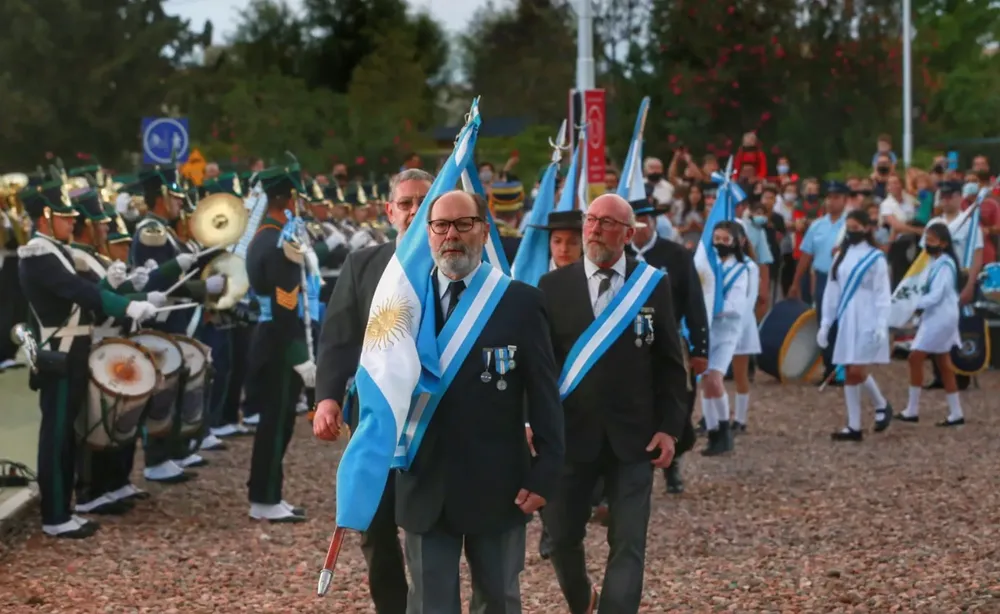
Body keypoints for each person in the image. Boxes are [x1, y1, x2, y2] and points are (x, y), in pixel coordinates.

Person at [392, 190, 564, 613]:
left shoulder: (520, 301)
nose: (452, 235)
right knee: (429, 604)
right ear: (428, 234)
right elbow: (376, 383)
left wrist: (547, 469)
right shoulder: (401, 302)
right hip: (424, 479)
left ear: (484, 231)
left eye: (463, 224)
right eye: (441, 226)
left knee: (499, 601)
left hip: (499, 482)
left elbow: (544, 392)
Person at [539, 193, 688, 614]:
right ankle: (582, 598)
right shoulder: (553, 287)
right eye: (591, 220)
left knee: (628, 542)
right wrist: (533, 424)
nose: (595, 229)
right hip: (569, 436)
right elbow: (540, 366)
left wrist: (670, 427)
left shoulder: (651, 285)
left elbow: (670, 367)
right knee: (561, 535)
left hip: (633, 438)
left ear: (628, 233)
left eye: (607, 222)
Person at [313, 168, 433, 613]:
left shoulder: (456, 266)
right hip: (376, 416)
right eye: (406, 203)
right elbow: (338, 336)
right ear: (390, 211)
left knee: (429, 527)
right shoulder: (363, 265)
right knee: (377, 526)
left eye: (424, 201)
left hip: (434, 416)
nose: (415, 211)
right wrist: (327, 398)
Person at [17, 179, 158, 538]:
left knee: (67, 436)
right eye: (65, 218)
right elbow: (78, 291)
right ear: (46, 216)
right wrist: (127, 305)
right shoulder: (38, 252)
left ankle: (64, 509)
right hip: (60, 355)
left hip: (73, 353)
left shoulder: (54, 249)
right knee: (57, 436)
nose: (71, 223)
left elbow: (90, 291)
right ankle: (54, 515)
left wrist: (117, 291)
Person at [242, 162, 317, 522]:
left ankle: (269, 492)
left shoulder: (267, 235)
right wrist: (301, 356)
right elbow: (286, 306)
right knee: (275, 422)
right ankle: (264, 496)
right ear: (288, 199)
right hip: (278, 341)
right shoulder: (277, 241)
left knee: (280, 419)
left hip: (273, 338)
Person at [624, 196, 708, 492]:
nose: (642, 225)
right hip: (629, 343)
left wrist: (700, 348)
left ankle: (673, 462)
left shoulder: (675, 255)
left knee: (678, 398)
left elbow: (695, 302)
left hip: (670, 338)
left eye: (647, 219)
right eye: (636, 219)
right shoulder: (619, 256)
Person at [817, 210, 894, 441]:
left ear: (866, 228)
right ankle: (855, 425)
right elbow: (832, 292)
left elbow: (882, 294)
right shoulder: (840, 254)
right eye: (848, 227)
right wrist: (825, 322)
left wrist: (882, 323)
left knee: (856, 370)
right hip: (846, 317)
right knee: (849, 370)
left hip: (868, 317)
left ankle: (879, 406)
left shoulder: (876, 257)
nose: (851, 232)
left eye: (855, 227)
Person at [897, 224, 965, 426]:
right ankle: (956, 413)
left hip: (941, 317)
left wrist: (914, 305)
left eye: (932, 240)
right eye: (927, 239)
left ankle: (912, 410)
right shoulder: (936, 262)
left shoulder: (945, 265)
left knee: (915, 357)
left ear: (943, 243)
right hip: (939, 316)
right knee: (944, 363)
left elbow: (937, 295)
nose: (928, 243)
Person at [699, 221, 752, 456]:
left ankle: (723, 430)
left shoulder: (742, 269)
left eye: (725, 239)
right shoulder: (707, 264)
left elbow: (736, 304)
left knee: (715, 378)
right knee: (705, 379)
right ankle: (712, 432)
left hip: (726, 329)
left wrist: (711, 307)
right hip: (705, 327)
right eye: (716, 238)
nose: (719, 243)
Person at [788, 181, 848, 381]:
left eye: (836, 198)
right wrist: (796, 282)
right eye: (829, 198)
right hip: (824, 277)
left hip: (845, 278)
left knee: (844, 322)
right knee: (825, 321)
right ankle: (829, 367)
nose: (832, 202)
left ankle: (844, 369)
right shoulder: (817, 225)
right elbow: (806, 255)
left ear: (845, 200)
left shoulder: (850, 224)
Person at [729, 223, 761, 434]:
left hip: (741, 324)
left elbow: (751, 298)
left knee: (740, 374)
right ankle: (712, 417)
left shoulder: (750, 266)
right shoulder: (718, 263)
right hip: (720, 325)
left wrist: (738, 324)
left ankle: (740, 419)